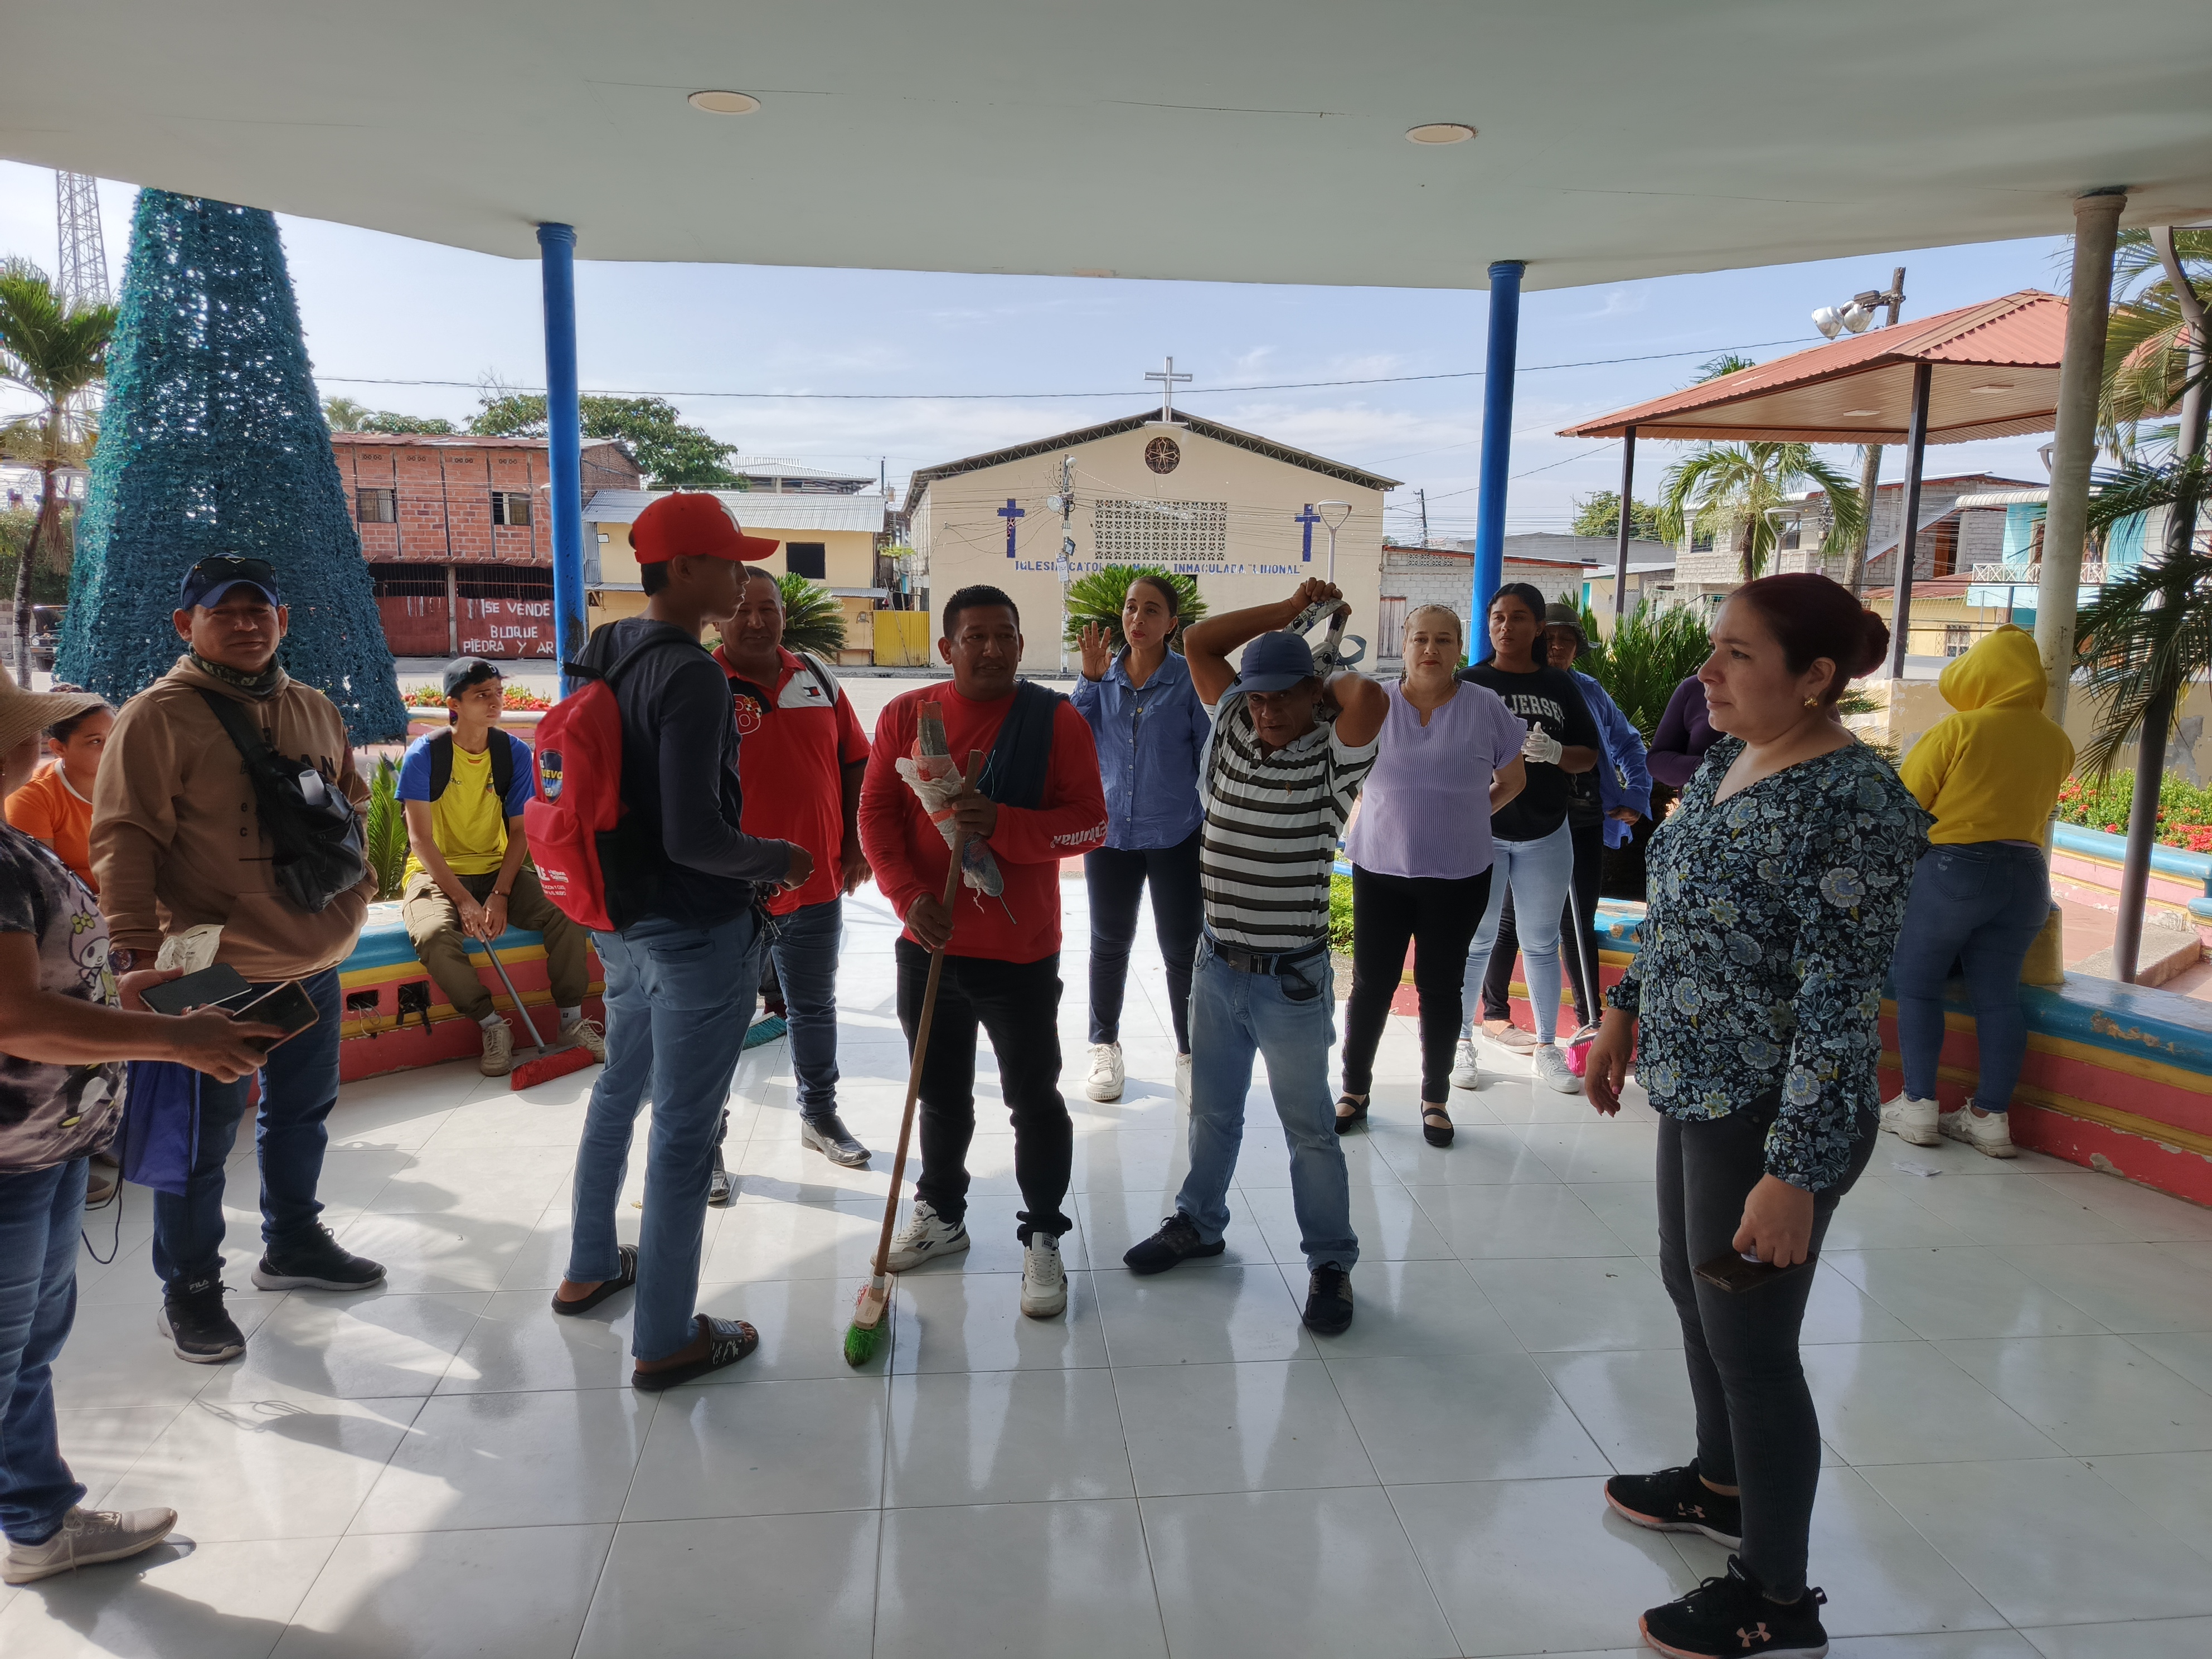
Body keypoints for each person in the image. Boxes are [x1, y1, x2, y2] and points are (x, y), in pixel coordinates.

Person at [1583, 574, 1926, 1659]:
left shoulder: (1853, 803)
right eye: (1713, 646)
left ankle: (1775, 1598)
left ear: (1814, 677)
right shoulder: (1731, 756)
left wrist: (1795, 1173)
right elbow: (1680, 903)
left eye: (1736, 653)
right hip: (1694, 1082)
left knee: (1754, 1347)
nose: (1707, 672)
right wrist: (1623, 1010)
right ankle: (1721, 1484)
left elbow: (1838, 1003)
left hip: (1775, 1115)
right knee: (1691, 1293)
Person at [1, 662, 282, 1585]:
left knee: (30, 1346)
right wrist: (177, 1041)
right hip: (12, 1154)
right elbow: (14, 1018)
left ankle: (39, 1522)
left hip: (47, 1142)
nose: (37, 740)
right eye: (27, 726)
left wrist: (129, 995)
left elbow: (45, 984)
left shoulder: (13, 846)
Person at [93, 556, 386, 1364]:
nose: (246, 624)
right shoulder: (158, 717)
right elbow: (125, 840)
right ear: (186, 625)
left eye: (261, 610)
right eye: (224, 612)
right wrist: (137, 957)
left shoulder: (314, 707)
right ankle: (189, 1289)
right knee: (197, 1141)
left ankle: (292, 1243)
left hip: (313, 961)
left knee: (302, 1113)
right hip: (210, 974)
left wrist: (356, 899)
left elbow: (352, 804)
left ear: (283, 621)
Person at [552, 493, 810, 1389]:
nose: (743, 578)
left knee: (619, 1089)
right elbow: (697, 838)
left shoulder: (609, 648)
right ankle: (665, 1339)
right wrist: (781, 857)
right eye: (731, 561)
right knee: (685, 1134)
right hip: (695, 931)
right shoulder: (693, 675)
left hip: (618, 920)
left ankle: (590, 1266)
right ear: (689, 568)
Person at [1122, 579, 1386, 1337]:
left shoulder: (1333, 759)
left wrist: (1320, 671)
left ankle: (1329, 1262)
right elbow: (1198, 643)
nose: (1267, 711)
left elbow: (1370, 698)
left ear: (1311, 697)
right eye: (1258, 696)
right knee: (1213, 1112)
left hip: (1289, 982)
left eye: (1283, 697)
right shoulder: (1232, 723)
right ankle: (1198, 1222)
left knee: (1309, 1129)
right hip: (1216, 967)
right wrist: (1288, 613)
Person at [858, 585, 1107, 1320]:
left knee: (1032, 1099)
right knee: (938, 1092)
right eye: (976, 637)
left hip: (1018, 951)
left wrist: (1002, 822)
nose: (992, 649)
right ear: (948, 648)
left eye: (1005, 636)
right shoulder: (906, 716)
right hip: (927, 943)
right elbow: (875, 813)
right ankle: (942, 1214)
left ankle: (1044, 1234)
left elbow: (1089, 824)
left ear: (1022, 646)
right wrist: (907, 898)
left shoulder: (1053, 721)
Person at [1336, 603, 1526, 1146]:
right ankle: (1353, 1090)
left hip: (1458, 875)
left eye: (1444, 640)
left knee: (1440, 987)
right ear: (1404, 643)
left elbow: (1513, 781)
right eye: (1420, 638)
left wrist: (1467, 816)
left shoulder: (1484, 707)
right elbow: (1344, 768)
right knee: (1371, 985)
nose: (1430, 649)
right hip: (1380, 869)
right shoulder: (1375, 703)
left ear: (1458, 648)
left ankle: (1435, 1098)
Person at [1882, 624, 2072, 1160]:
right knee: (1999, 998)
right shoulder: (2057, 740)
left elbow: (1906, 802)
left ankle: (1918, 1105)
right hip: (2028, 876)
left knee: (1918, 985)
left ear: (1982, 675)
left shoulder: (1960, 728)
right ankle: (1990, 1118)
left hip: (1953, 869)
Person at [714, 568, 875, 1167]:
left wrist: (854, 843)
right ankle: (706, 1142)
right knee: (720, 1018)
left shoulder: (816, 676)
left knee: (812, 1005)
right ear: (719, 618)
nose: (756, 621)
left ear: (784, 614)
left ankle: (820, 1115)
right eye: (742, 609)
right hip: (732, 893)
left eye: (768, 609)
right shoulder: (703, 682)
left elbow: (855, 761)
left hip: (816, 883)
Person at [398, 657, 603, 1077]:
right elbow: (420, 840)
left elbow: (521, 831)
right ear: (453, 703)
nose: (495, 703)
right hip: (436, 873)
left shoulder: (512, 753)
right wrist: (463, 900)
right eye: (481, 695)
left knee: (566, 911)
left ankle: (570, 1020)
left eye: (498, 693)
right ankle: (491, 1024)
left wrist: (500, 893)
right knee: (434, 935)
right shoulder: (426, 755)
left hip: (496, 870)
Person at [1451, 583, 1602, 1094]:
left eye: (1518, 617)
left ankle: (1546, 1047)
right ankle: (1460, 1041)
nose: (1506, 626)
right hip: (1484, 828)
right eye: (1498, 616)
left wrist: (1556, 753)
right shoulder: (1470, 682)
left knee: (1541, 942)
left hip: (1546, 830)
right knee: (1477, 939)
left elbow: (1588, 754)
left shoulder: (1560, 685)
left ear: (1538, 627)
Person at [1071, 571, 1212, 1104]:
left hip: (1176, 833)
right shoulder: (1101, 678)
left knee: (1181, 948)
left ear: (1172, 624)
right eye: (1132, 607)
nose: (1138, 618)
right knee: (1108, 944)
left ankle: (1190, 1054)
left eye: (1152, 610)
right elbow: (1072, 740)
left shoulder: (1188, 682)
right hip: (1110, 835)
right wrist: (1088, 680)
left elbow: (1206, 760)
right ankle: (1104, 1045)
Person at [1478, 603, 1651, 1040]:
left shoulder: (1588, 690)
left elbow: (1628, 744)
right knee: (1508, 919)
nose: (1557, 647)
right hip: (1520, 819)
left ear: (1578, 649)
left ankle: (1589, 1021)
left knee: (1578, 919)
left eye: (1567, 640)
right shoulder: (1499, 685)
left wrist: (1636, 793)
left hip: (1584, 816)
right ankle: (1495, 1016)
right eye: (1549, 638)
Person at [4, 696, 112, 891]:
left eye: (116, 737)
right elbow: (44, 880)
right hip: (78, 905)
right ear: (59, 748)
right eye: (96, 741)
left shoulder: (137, 783)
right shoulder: (33, 796)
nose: (111, 749)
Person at [1648, 673, 1718, 790]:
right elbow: (1655, 760)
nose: (1704, 672)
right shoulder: (1695, 687)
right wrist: (1708, 769)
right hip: (1695, 800)